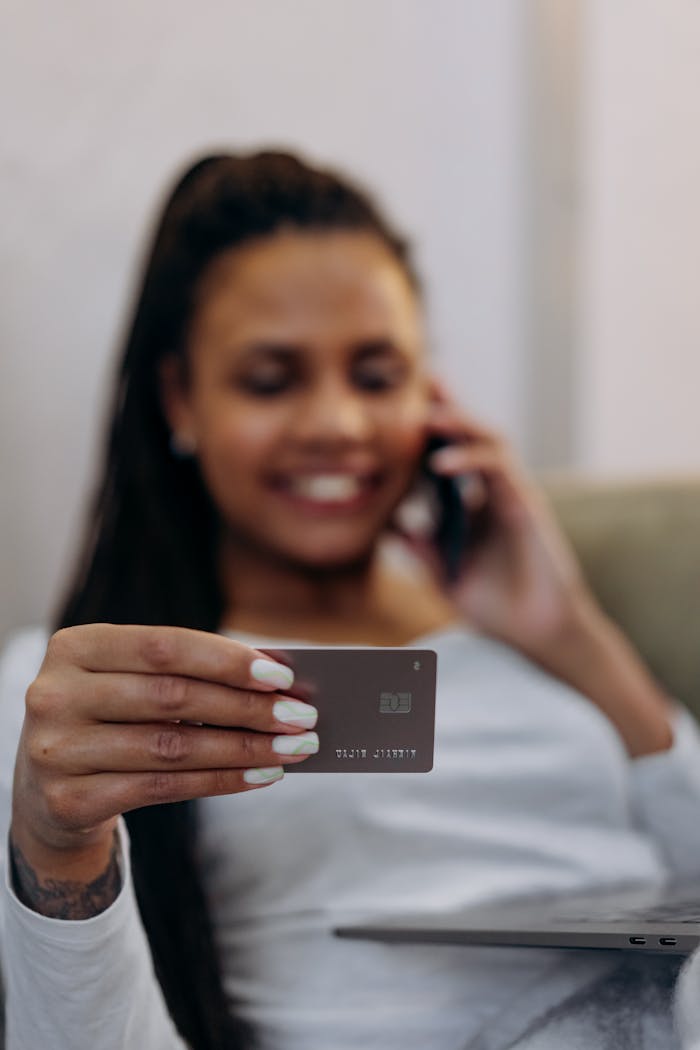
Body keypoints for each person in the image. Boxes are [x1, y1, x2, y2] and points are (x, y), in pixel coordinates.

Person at [1, 151, 700, 1050]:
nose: (338, 424)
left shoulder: (538, 646)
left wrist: (570, 632)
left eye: (377, 377)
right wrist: (60, 858)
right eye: (271, 380)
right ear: (181, 398)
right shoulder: (80, 704)